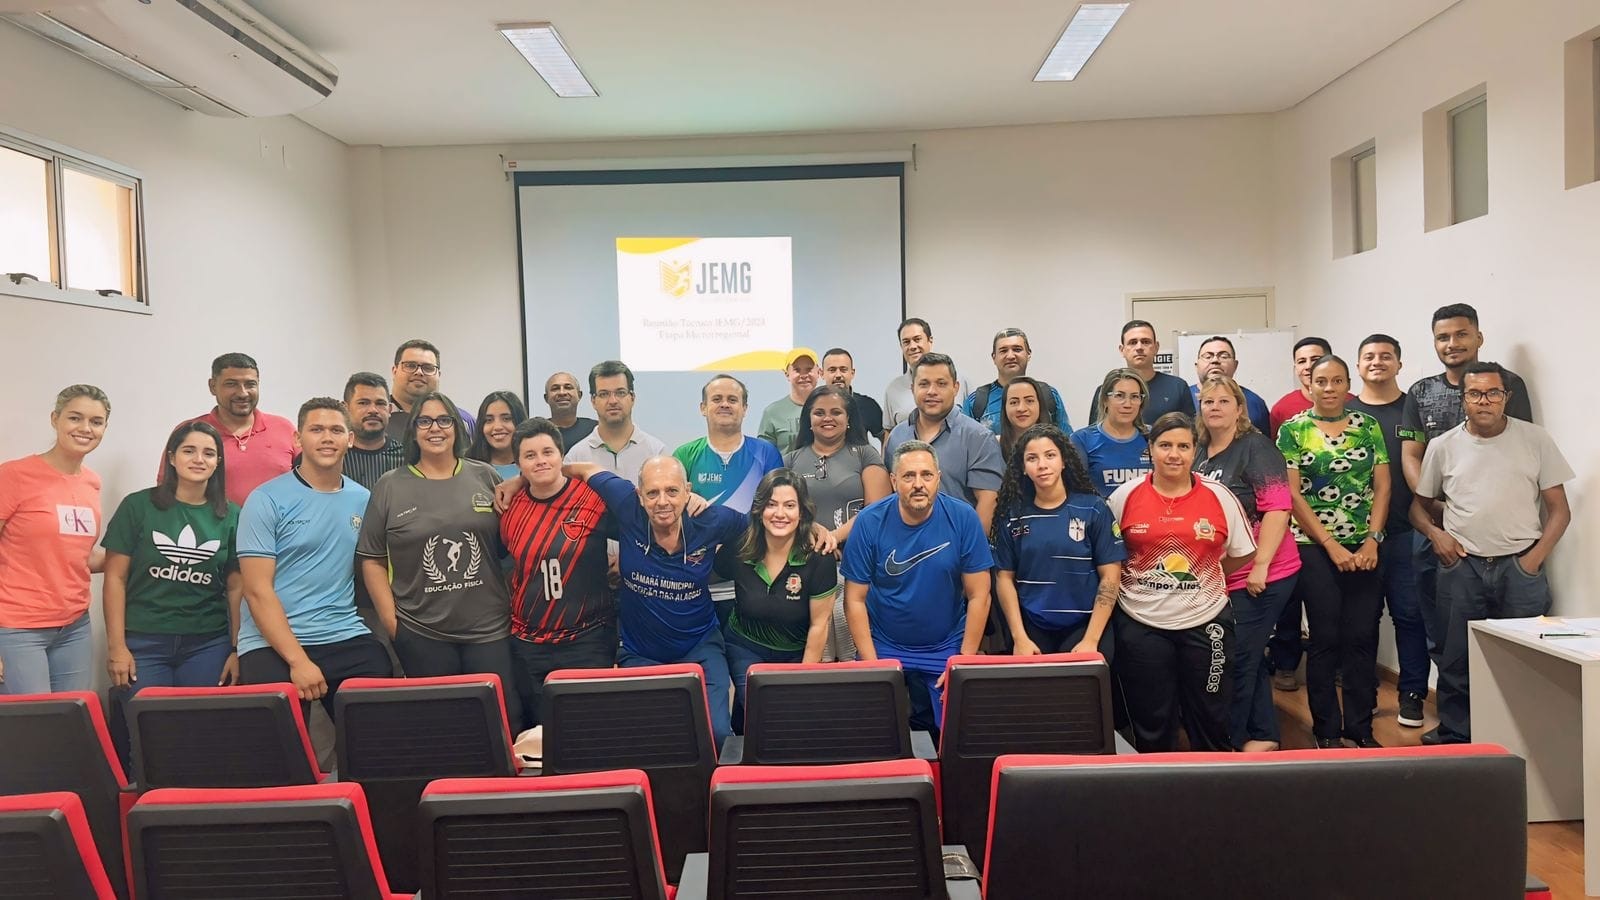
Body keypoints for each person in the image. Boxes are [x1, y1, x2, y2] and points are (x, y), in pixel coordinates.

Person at [1412, 361, 1571, 745]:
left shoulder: (1535, 440)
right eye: (1475, 393)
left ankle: (1523, 741)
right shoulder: (1443, 446)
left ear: (1506, 398)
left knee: (1527, 660)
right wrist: (1436, 535)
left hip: (1520, 568)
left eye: (1493, 393)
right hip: (1462, 567)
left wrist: (1533, 560)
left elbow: (1560, 511)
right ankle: (1457, 736)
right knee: (1456, 659)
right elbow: (1418, 508)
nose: (1484, 401)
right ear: (1463, 399)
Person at [357, 392, 520, 730]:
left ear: (457, 428)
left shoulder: (484, 476)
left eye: (444, 420)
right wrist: (392, 623)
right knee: (441, 729)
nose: (435, 428)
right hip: (421, 631)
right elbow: (372, 559)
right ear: (413, 430)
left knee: (500, 723)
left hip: (489, 629)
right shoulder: (390, 486)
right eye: (425, 421)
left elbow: (510, 545)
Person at [562, 457, 749, 747]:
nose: (662, 501)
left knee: (718, 736)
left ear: (688, 491)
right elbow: (582, 469)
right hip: (640, 653)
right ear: (639, 495)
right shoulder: (627, 504)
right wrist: (520, 482)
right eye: (652, 493)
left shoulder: (711, 519)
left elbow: (762, 523)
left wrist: (811, 529)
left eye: (672, 491)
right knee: (650, 741)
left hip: (699, 646)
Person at [1107, 413, 1256, 753]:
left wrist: (1205, 574)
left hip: (1206, 621)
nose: (1174, 454)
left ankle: (1213, 782)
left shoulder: (1219, 496)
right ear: (1150, 449)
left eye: (1183, 446)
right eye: (1165, 445)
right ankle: (1156, 782)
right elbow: (1110, 559)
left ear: (1194, 451)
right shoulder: (1124, 496)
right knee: (1152, 720)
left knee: (1211, 717)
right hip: (1141, 623)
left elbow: (1242, 553)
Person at [1400, 304, 1534, 676]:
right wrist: (1436, 506)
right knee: (1441, 627)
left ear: (1479, 337)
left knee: (1507, 634)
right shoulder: (1420, 391)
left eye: (1461, 334)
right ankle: (1453, 703)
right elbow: (1411, 455)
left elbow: (1517, 447)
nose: (1452, 343)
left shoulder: (1509, 384)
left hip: (1492, 529)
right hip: (1433, 523)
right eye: (1443, 337)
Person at [236, 398, 392, 717]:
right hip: (270, 642)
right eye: (316, 429)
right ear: (298, 438)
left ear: (350, 439)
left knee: (379, 708)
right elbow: (256, 590)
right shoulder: (265, 499)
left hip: (342, 633)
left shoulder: (363, 500)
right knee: (281, 741)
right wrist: (298, 661)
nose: (326, 438)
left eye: (336, 430)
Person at [842, 441, 993, 738]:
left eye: (926, 475)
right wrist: (872, 664)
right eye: (909, 476)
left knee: (958, 734)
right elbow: (854, 600)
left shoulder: (963, 518)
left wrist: (963, 661)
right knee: (872, 732)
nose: (918, 484)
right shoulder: (869, 522)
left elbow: (980, 596)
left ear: (938, 478)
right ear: (893, 480)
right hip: (884, 642)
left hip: (945, 644)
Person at [1279, 356, 1390, 749]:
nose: (1329, 388)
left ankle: (1361, 727)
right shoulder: (1293, 429)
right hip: (1314, 547)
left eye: (1337, 380)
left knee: (1362, 636)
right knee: (1325, 637)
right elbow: (1292, 495)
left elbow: (1382, 485)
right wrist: (1330, 545)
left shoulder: (1367, 426)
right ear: (1309, 385)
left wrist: (1373, 539)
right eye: (1321, 381)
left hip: (1365, 548)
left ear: (1348, 385)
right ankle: (1326, 729)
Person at [1194, 376, 1301, 752]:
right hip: (1225, 573)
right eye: (1208, 402)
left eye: (1224, 401)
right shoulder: (1201, 451)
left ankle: (1230, 743)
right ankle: (1265, 734)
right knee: (1247, 656)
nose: (1215, 408)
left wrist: (1260, 566)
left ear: (1239, 408)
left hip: (1264, 573)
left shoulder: (1256, 447)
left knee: (1237, 659)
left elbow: (1278, 509)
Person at [103, 422, 241, 701]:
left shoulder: (232, 515)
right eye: (189, 451)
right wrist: (117, 647)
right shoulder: (137, 506)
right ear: (171, 458)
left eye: (209, 453)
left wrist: (237, 649)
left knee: (198, 722)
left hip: (208, 644)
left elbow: (237, 587)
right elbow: (115, 578)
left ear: (218, 462)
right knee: (148, 722)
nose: (199, 459)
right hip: (143, 641)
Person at [501, 418, 618, 729]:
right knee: (540, 734)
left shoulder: (592, 499)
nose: (540, 461)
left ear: (561, 455)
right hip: (529, 644)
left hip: (588, 638)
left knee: (589, 729)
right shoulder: (508, 507)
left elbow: (637, 532)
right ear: (518, 465)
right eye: (530, 455)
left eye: (547, 452)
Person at [0, 385, 111, 694]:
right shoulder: (13, 475)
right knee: (34, 722)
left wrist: (137, 554)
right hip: (18, 627)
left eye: (96, 421)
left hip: (74, 626)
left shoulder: (91, 482)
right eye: (75, 418)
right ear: (55, 419)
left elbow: (81, 556)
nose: (85, 428)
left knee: (70, 718)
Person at [716, 469, 839, 732]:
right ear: (759, 509)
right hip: (745, 647)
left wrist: (804, 681)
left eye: (789, 505)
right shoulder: (740, 547)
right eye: (771, 504)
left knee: (793, 716)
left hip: (795, 653)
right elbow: (707, 569)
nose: (780, 513)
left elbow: (819, 625)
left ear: (802, 512)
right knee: (764, 712)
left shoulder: (820, 557)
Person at [1348, 334, 1428, 728]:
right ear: (1358, 365)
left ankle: (1412, 695)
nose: (1377, 362)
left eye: (1385, 356)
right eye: (1369, 356)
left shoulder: (1413, 412)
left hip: (1405, 532)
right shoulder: (1344, 412)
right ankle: (1361, 696)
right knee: (1360, 622)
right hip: (1355, 538)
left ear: (1399, 363)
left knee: (1410, 617)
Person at [992, 424, 1124, 659]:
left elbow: (1111, 576)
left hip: (1085, 625)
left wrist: (1091, 640)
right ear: (1023, 468)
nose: (1042, 465)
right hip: (1031, 626)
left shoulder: (1094, 509)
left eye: (1050, 455)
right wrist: (1019, 637)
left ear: (1063, 461)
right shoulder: (1012, 516)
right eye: (1032, 458)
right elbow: (1004, 578)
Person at [785, 384, 891, 661]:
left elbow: (876, 510)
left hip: (856, 563)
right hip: (807, 563)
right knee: (817, 649)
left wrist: (833, 537)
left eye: (836, 412)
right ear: (808, 419)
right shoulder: (791, 460)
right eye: (819, 413)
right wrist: (815, 537)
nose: (827, 418)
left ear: (849, 419)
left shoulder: (866, 454)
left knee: (851, 650)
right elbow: (782, 510)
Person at [884, 352, 1005, 534]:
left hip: (958, 545)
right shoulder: (897, 436)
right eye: (924, 384)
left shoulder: (979, 438)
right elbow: (889, 497)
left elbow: (987, 503)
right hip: (903, 545)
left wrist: (971, 549)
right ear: (912, 388)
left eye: (941, 384)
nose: (932, 391)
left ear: (955, 388)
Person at [168, 353, 295, 506]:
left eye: (250, 384)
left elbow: (310, 481)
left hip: (280, 522)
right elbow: (168, 489)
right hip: (212, 522)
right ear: (212, 386)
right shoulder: (190, 432)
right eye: (231, 384)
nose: (242, 393)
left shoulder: (284, 428)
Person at [564, 360, 668, 484]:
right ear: (593, 401)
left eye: (620, 393)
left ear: (632, 398)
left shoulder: (657, 453)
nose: (613, 401)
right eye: (604, 394)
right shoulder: (575, 458)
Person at [964, 328, 1070, 436]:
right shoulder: (976, 402)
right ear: (994, 357)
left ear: (1028, 354)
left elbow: (1066, 441)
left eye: (1017, 349)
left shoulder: (1048, 395)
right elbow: (965, 442)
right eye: (1003, 351)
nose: (1010, 356)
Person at [1087, 321, 1193, 426]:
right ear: (1122, 350)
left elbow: (1191, 431)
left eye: (1146, 342)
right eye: (1133, 342)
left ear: (1156, 347)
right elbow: (1094, 433)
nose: (1139, 347)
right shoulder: (1105, 391)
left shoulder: (1177, 387)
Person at [1072, 369, 1152, 499]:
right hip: (1101, 511)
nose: (1128, 404)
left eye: (1134, 397)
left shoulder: (1153, 437)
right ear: (1105, 400)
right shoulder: (1082, 440)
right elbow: (1076, 493)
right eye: (1119, 396)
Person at [883, 318, 966, 438]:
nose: (912, 346)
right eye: (906, 342)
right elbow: (889, 434)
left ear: (930, 341)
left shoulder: (959, 381)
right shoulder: (893, 389)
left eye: (917, 339)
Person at [387, 339, 475, 442]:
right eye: (410, 365)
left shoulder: (463, 421)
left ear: (438, 375)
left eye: (428, 368)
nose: (419, 372)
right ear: (394, 371)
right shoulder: (376, 417)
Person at [1189, 336, 1271, 435]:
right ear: (1196, 365)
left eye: (1224, 356)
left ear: (1235, 365)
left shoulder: (1255, 402)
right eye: (1208, 357)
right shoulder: (1184, 397)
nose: (1215, 360)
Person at [341, 372, 404, 491]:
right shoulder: (334, 456)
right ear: (345, 409)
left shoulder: (407, 459)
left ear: (390, 409)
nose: (373, 410)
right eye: (363, 403)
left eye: (380, 403)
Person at [1269, 336, 1340, 435]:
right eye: (1302, 361)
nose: (1308, 366)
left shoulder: (1350, 403)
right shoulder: (1281, 409)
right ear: (1295, 369)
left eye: (1315, 359)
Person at [758, 348, 820, 452]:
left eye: (809, 369)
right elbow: (764, 455)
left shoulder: (830, 409)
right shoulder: (773, 412)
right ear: (787, 374)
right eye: (797, 370)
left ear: (818, 372)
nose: (804, 375)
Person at [820, 348, 885, 447]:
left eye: (843, 370)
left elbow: (886, 438)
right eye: (832, 370)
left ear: (852, 373)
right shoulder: (814, 407)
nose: (838, 375)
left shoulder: (868, 405)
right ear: (822, 374)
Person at [468, 390, 528, 479]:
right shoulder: (467, 467)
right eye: (489, 420)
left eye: (506, 419)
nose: (497, 427)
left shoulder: (536, 464)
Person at [998, 376, 1059, 460]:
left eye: (1029, 401)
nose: (1021, 408)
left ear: (1040, 404)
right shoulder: (992, 446)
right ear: (1005, 408)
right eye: (1014, 402)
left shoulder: (1059, 445)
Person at [542, 372, 596, 451]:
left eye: (568, 387)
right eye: (555, 389)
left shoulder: (595, 430)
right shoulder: (537, 432)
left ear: (579, 395)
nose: (562, 393)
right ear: (546, 398)